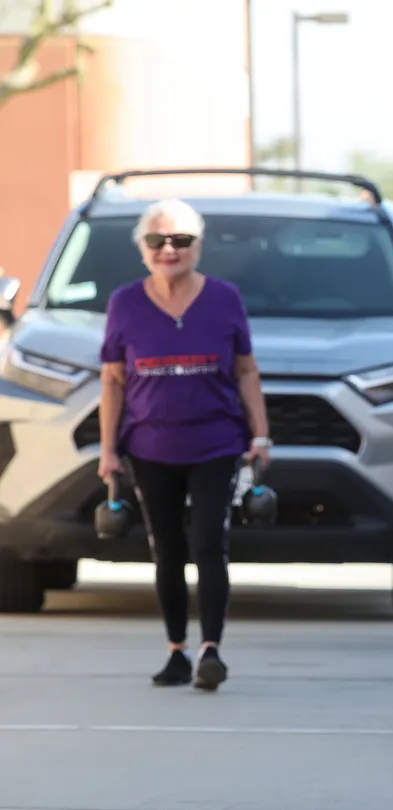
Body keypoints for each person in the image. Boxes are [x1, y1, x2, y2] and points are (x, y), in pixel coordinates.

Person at [97, 198, 271, 692]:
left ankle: (211, 649)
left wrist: (260, 436)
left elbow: (246, 372)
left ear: (198, 246)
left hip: (216, 442)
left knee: (209, 543)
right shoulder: (125, 303)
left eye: (179, 240)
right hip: (149, 448)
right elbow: (112, 382)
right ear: (142, 249)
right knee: (168, 551)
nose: (167, 249)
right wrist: (109, 450)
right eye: (156, 240)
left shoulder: (224, 298)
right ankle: (178, 650)